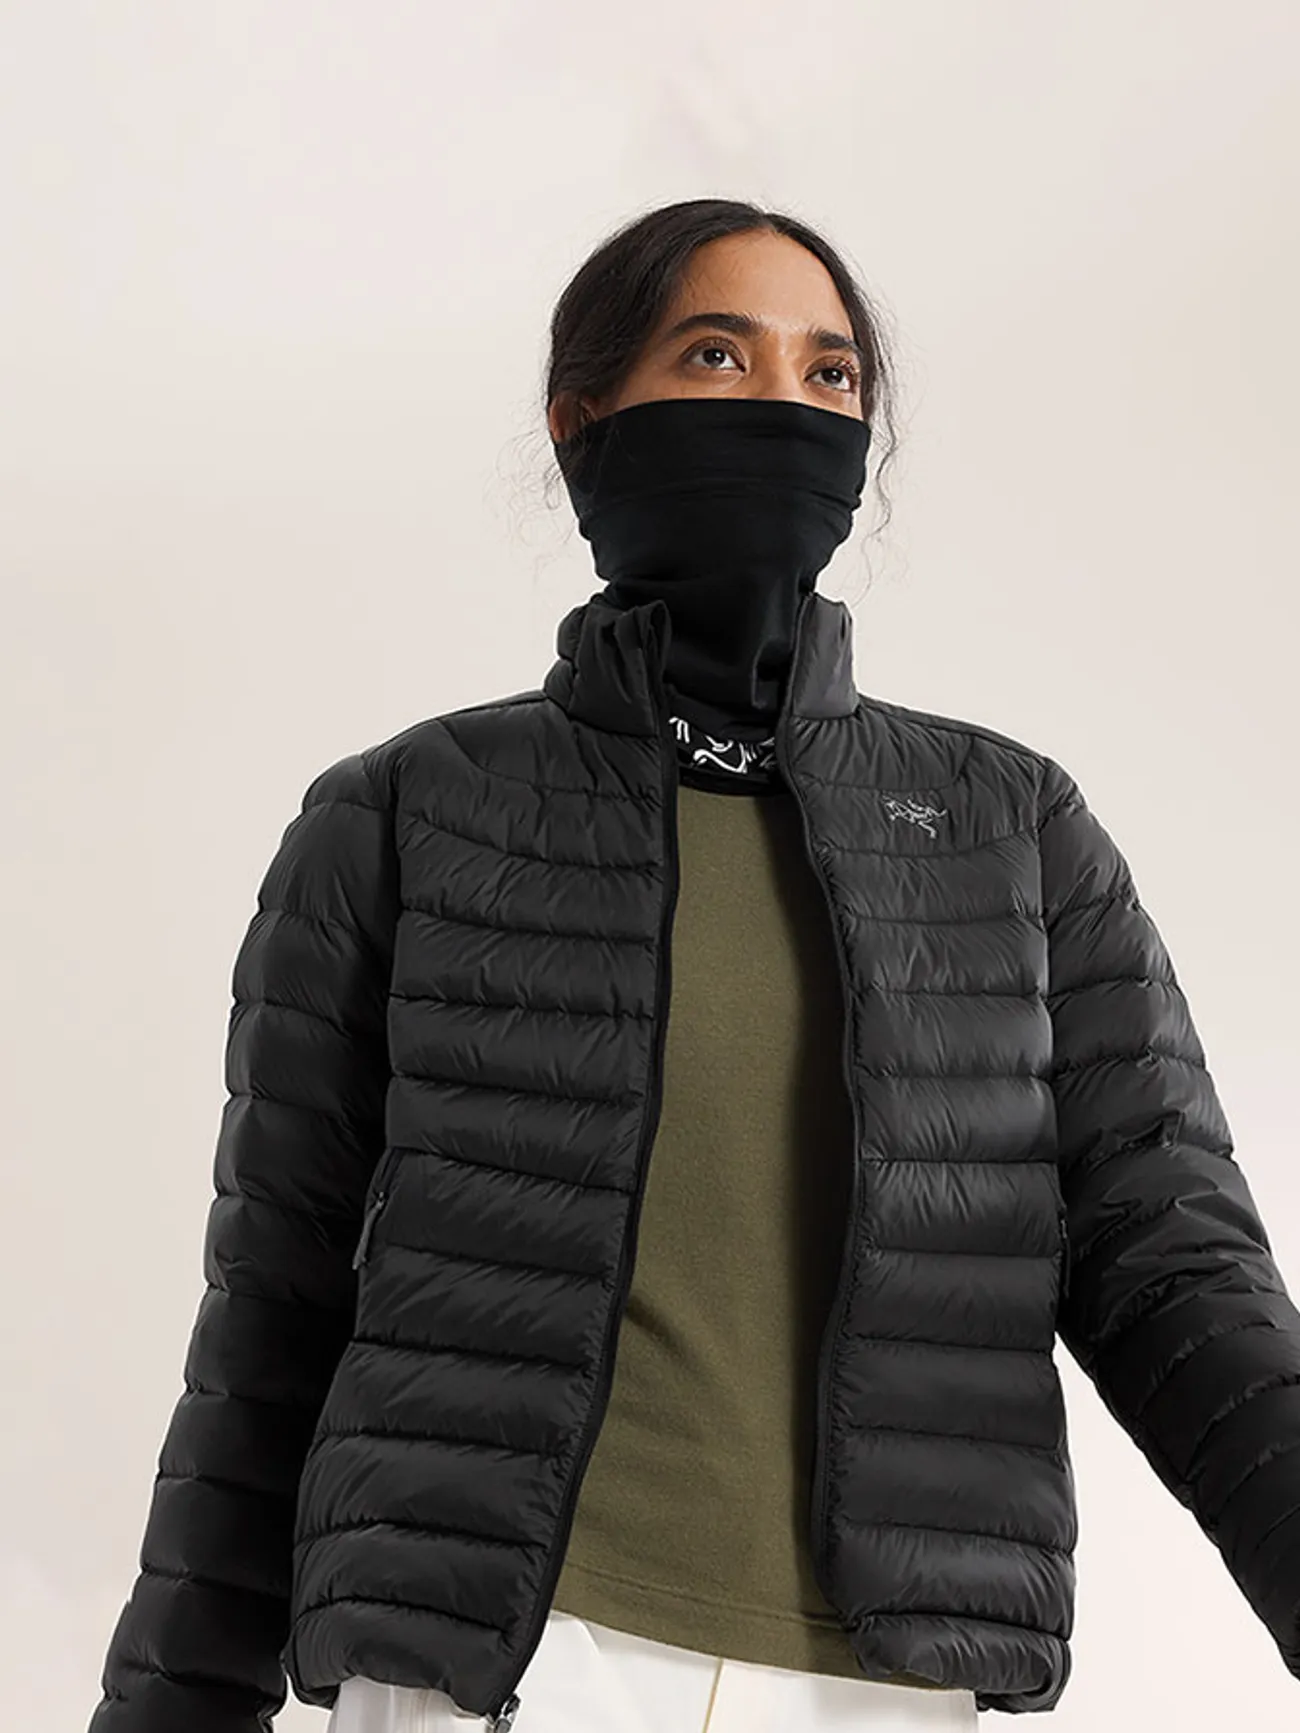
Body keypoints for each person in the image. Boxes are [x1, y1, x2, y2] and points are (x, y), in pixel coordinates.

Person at [88, 198, 1300, 1733]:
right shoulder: (405, 816)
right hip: (496, 1664)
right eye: (718, 355)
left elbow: (1178, 1278)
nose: (784, 405)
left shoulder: (1009, 830)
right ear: (583, 420)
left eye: (829, 374)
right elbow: (270, 1321)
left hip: (883, 1686)